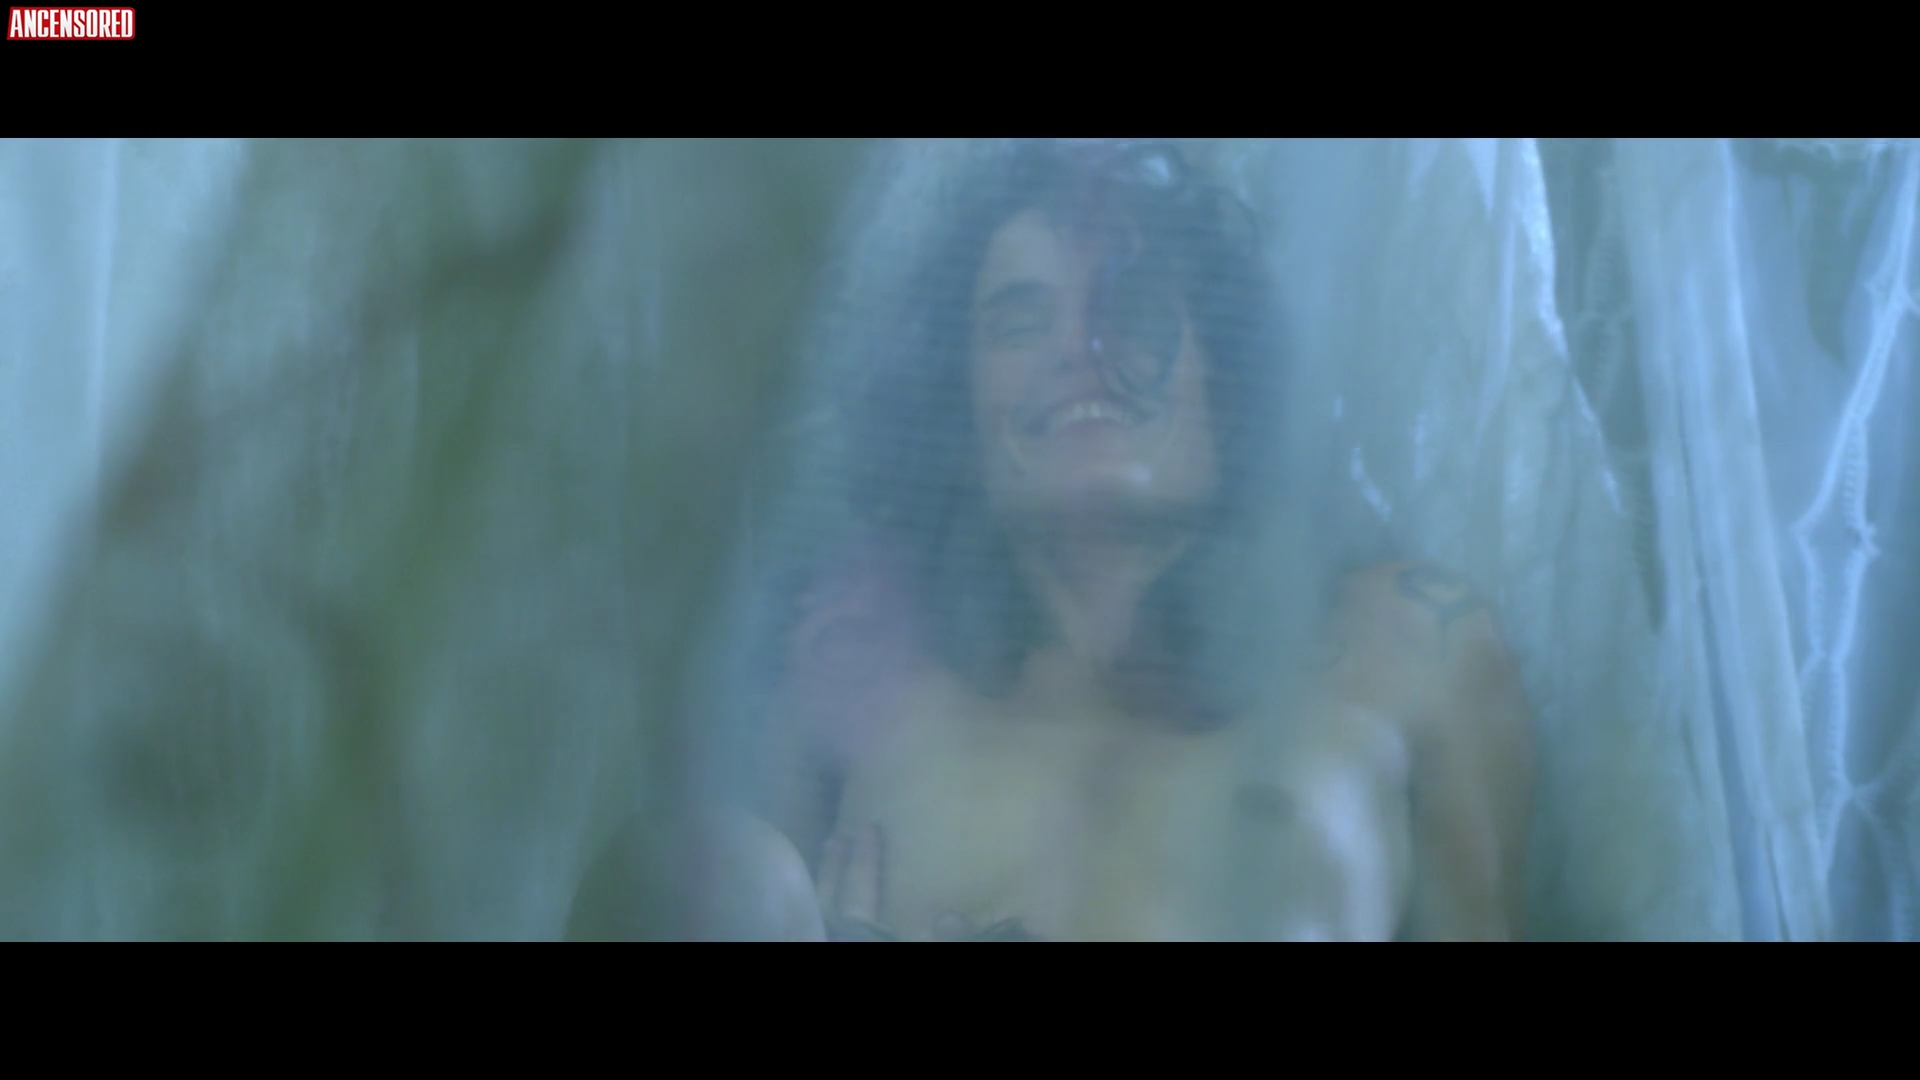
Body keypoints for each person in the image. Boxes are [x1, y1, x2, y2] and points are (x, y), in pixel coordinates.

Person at [571, 140, 1534, 941]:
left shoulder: (1410, 639)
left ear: (1226, 369)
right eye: (1021, 319)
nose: (1080, 347)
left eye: (1130, 303)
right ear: (960, 415)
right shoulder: (850, 676)